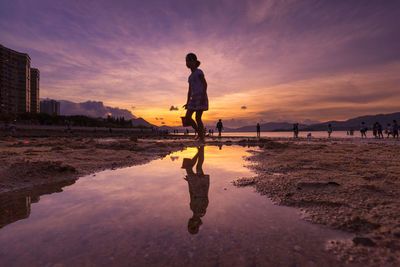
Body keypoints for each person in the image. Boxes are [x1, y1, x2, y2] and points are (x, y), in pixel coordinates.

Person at [182, 146, 209, 235]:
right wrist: (201, 183)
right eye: (192, 226)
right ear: (196, 225)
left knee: (190, 167)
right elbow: (205, 199)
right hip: (200, 187)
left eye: (189, 226)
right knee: (197, 167)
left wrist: (189, 182)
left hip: (195, 186)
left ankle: (200, 150)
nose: (189, 224)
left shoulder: (193, 209)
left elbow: (191, 193)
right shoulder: (201, 212)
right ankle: (201, 149)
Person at [183, 53, 208, 142]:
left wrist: (203, 96)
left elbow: (205, 84)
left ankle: (201, 137)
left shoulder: (199, 72)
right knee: (188, 117)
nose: (187, 63)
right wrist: (187, 102)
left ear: (194, 61)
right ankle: (200, 133)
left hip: (201, 96)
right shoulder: (190, 77)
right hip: (193, 99)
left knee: (198, 118)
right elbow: (189, 90)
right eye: (186, 61)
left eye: (189, 61)